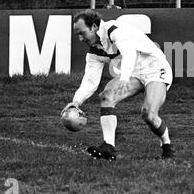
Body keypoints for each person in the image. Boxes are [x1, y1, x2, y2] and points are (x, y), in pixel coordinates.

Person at [62, 9, 174, 160]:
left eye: (82, 33)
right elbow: (90, 81)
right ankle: (109, 147)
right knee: (106, 97)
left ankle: (167, 147)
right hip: (133, 73)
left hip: (155, 68)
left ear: (94, 27)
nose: (80, 38)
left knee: (148, 114)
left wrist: (124, 78)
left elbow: (129, 53)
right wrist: (76, 102)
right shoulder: (94, 52)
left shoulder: (114, 30)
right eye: (77, 35)